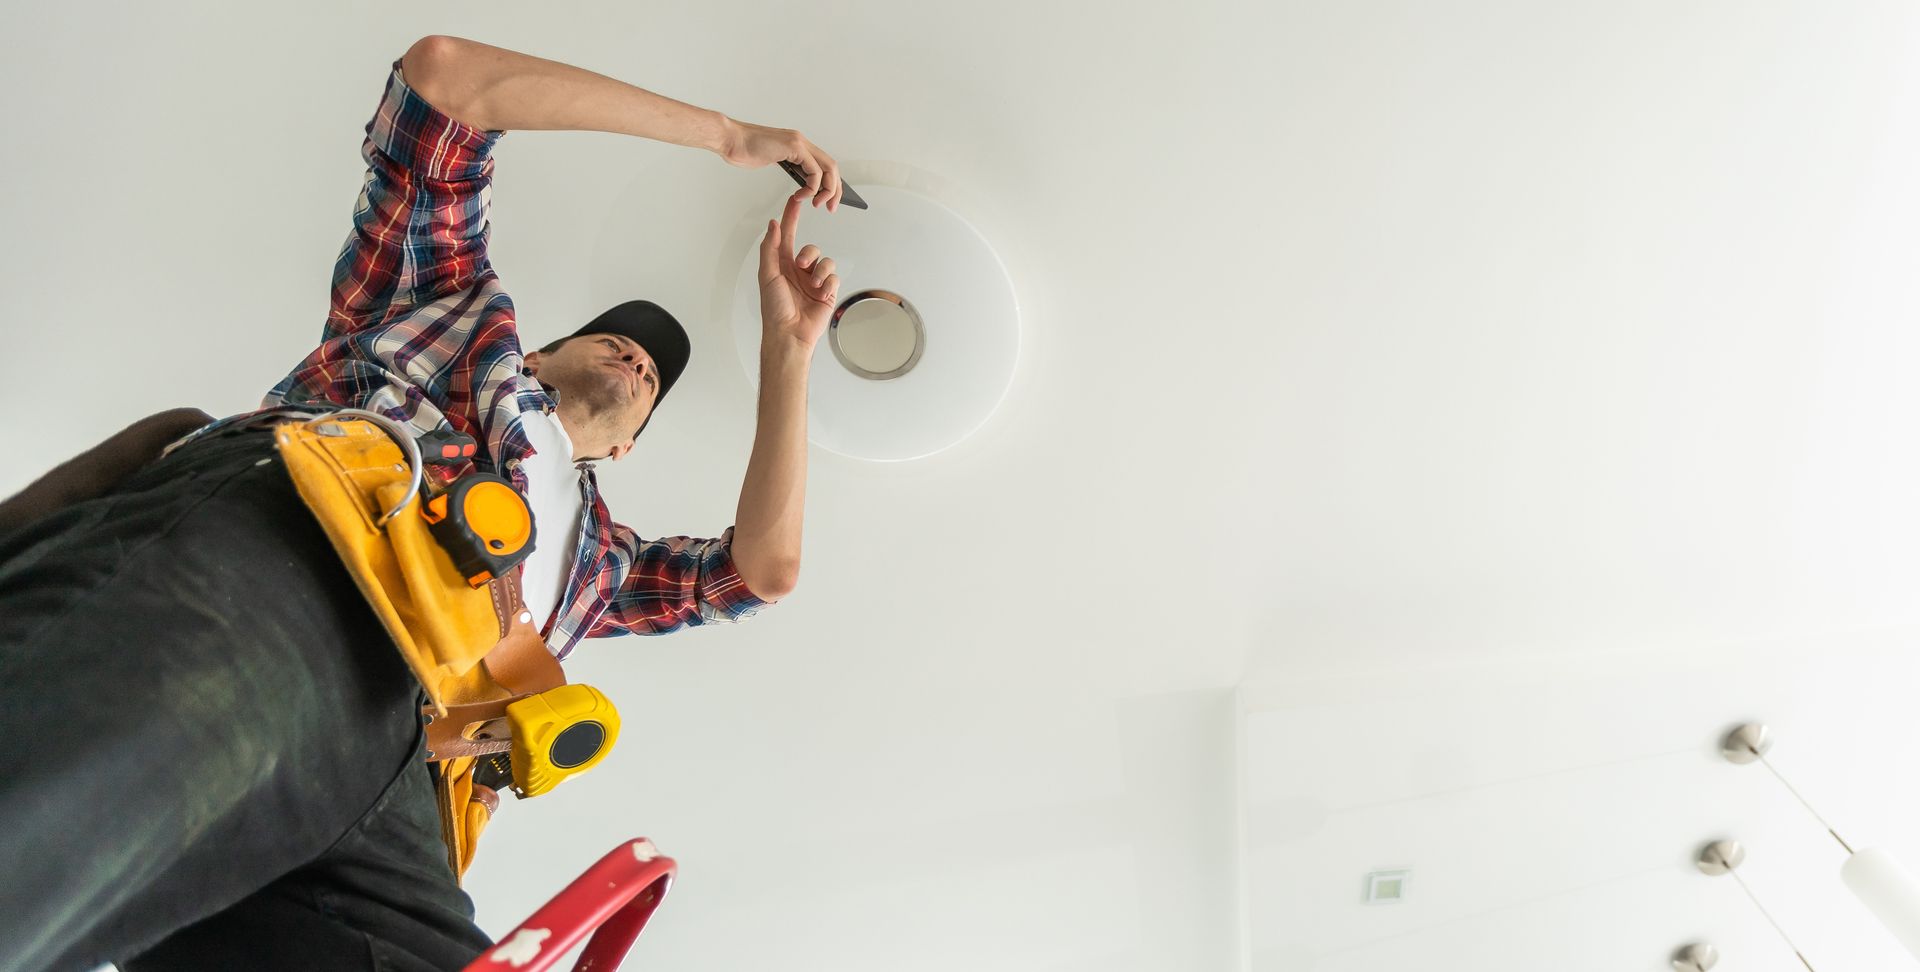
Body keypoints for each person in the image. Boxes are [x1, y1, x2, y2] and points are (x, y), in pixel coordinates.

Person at [0, 34, 843, 972]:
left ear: (629, 445)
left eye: (652, 376)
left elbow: (762, 571)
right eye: (615, 340)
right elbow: (446, 83)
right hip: (308, 572)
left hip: (415, 772)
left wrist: (789, 349)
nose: (639, 358)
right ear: (536, 356)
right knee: (48, 830)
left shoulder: (603, 570)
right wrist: (726, 136)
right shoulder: (450, 314)